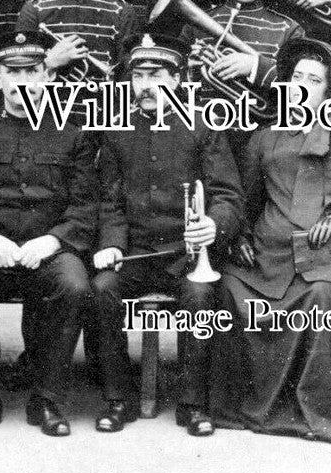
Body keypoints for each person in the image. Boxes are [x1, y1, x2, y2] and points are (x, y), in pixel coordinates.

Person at [214, 38, 331, 443]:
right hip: (272, 248)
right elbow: (246, 197)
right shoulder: (264, 135)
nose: (302, 85)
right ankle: (252, 404)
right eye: (296, 77)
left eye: (314, 79)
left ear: (329, 89)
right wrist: (239, 234)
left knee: (322, 296)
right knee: (229, 286)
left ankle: (317, 412)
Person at [90, 33, 242, 436]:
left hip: (187, 253)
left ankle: (192, 404)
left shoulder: (203, 126)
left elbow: (226, 193)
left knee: (200, 295)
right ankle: (116, 398)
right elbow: (110, 200)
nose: (145, 85)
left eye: (155, 75)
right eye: (138, 76)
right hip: (134, 252)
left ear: (176, 80)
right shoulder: (117, 131)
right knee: (103, 288)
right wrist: (110, 245)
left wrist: (214, 224)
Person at [0, 30, 98, 437]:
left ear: (47, 75)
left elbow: (87, 202)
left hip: (50, 243)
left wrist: (53, 240)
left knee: (73, 285)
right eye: (12, 72)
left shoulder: (74, 130)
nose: (23, 82)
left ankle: (47, 398)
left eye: (32, 71)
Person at [179, 0, 304, 144]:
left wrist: (255, 67)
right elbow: (173, 91)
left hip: (265, 141)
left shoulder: (288, 29)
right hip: (206, 141)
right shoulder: (196, 25)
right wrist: (189, 72)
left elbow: (302, 91)